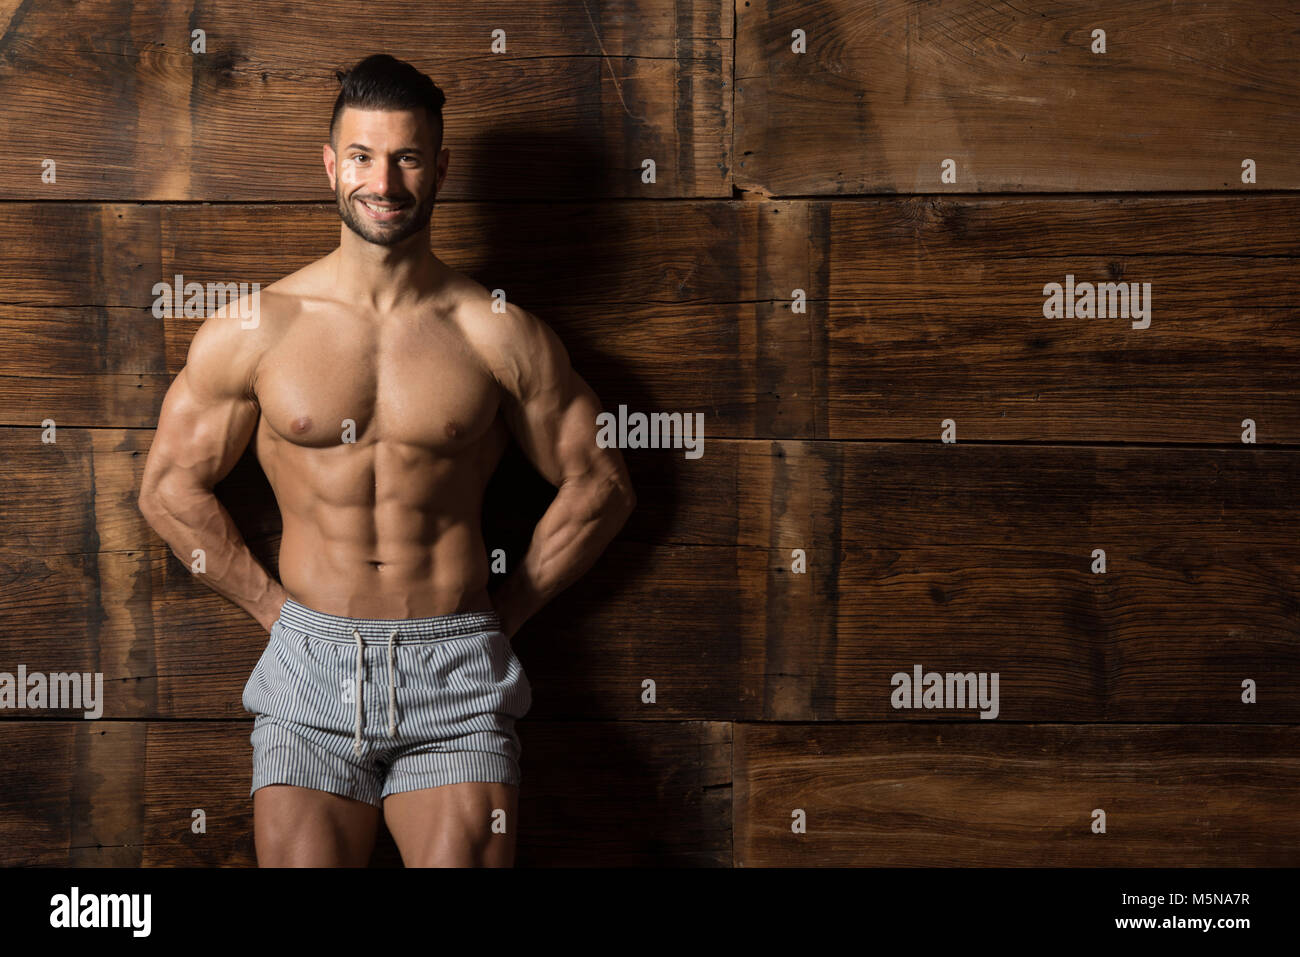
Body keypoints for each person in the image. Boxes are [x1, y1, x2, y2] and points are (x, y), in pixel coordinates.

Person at [137, 54, 636, 867]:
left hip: (458, 666)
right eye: (363, 156)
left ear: (439, 167)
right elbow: (166, 487)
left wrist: (504, 615)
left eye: (407, 157)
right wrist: (272, 608)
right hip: (308, 664)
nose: (385, 181)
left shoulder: (497, 331)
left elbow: (603, 484)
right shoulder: (257, 328)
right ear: (331, 166)